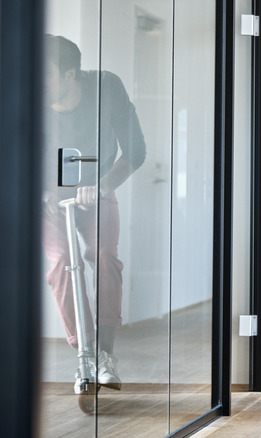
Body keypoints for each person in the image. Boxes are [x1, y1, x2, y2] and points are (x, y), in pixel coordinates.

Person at [42, 35, 146, 393]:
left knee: (104, 257)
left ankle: (105, 354)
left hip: (97, 188)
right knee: (61, 263)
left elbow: (135, 151)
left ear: (71, 74)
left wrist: (102, 186)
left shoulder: (106, 87)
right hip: (46, 198)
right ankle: (83, 354)